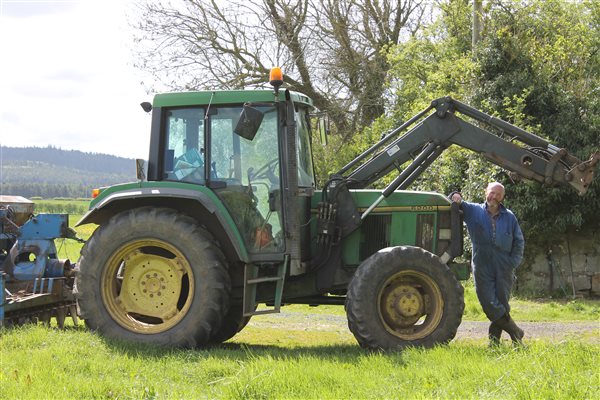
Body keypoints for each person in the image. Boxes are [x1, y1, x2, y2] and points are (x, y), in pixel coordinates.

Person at [450, 182, 525, 346]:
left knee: (502, 303)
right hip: (482, 263)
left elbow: (519, 241)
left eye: (499, 194)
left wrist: (513, 262)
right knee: (489, 302)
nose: (495, 197)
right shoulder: (474, 210)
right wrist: (456, 196)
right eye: (492, 193)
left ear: (503, 197)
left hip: (504, 265)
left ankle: (494, 342)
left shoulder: (509, 216)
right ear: (486, 193)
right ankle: (516, 332)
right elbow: (458, 201)